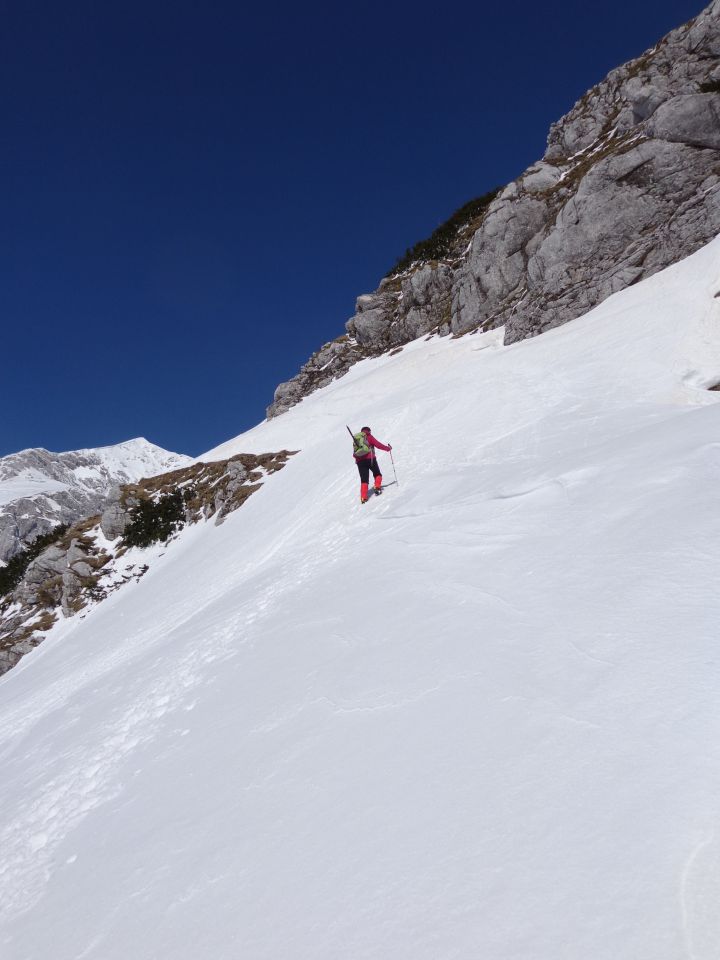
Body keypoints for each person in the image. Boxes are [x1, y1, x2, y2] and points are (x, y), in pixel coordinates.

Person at [353, 426, 392, 503]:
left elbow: (355, 453)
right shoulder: (369, 437)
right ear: (369, 431)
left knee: (364, 480)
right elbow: (378, 445)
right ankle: (377, 487)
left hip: (360, 462)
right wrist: (388, 448)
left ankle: (363, 497)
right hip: (370, 459)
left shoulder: (357, 439)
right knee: (377, 474)